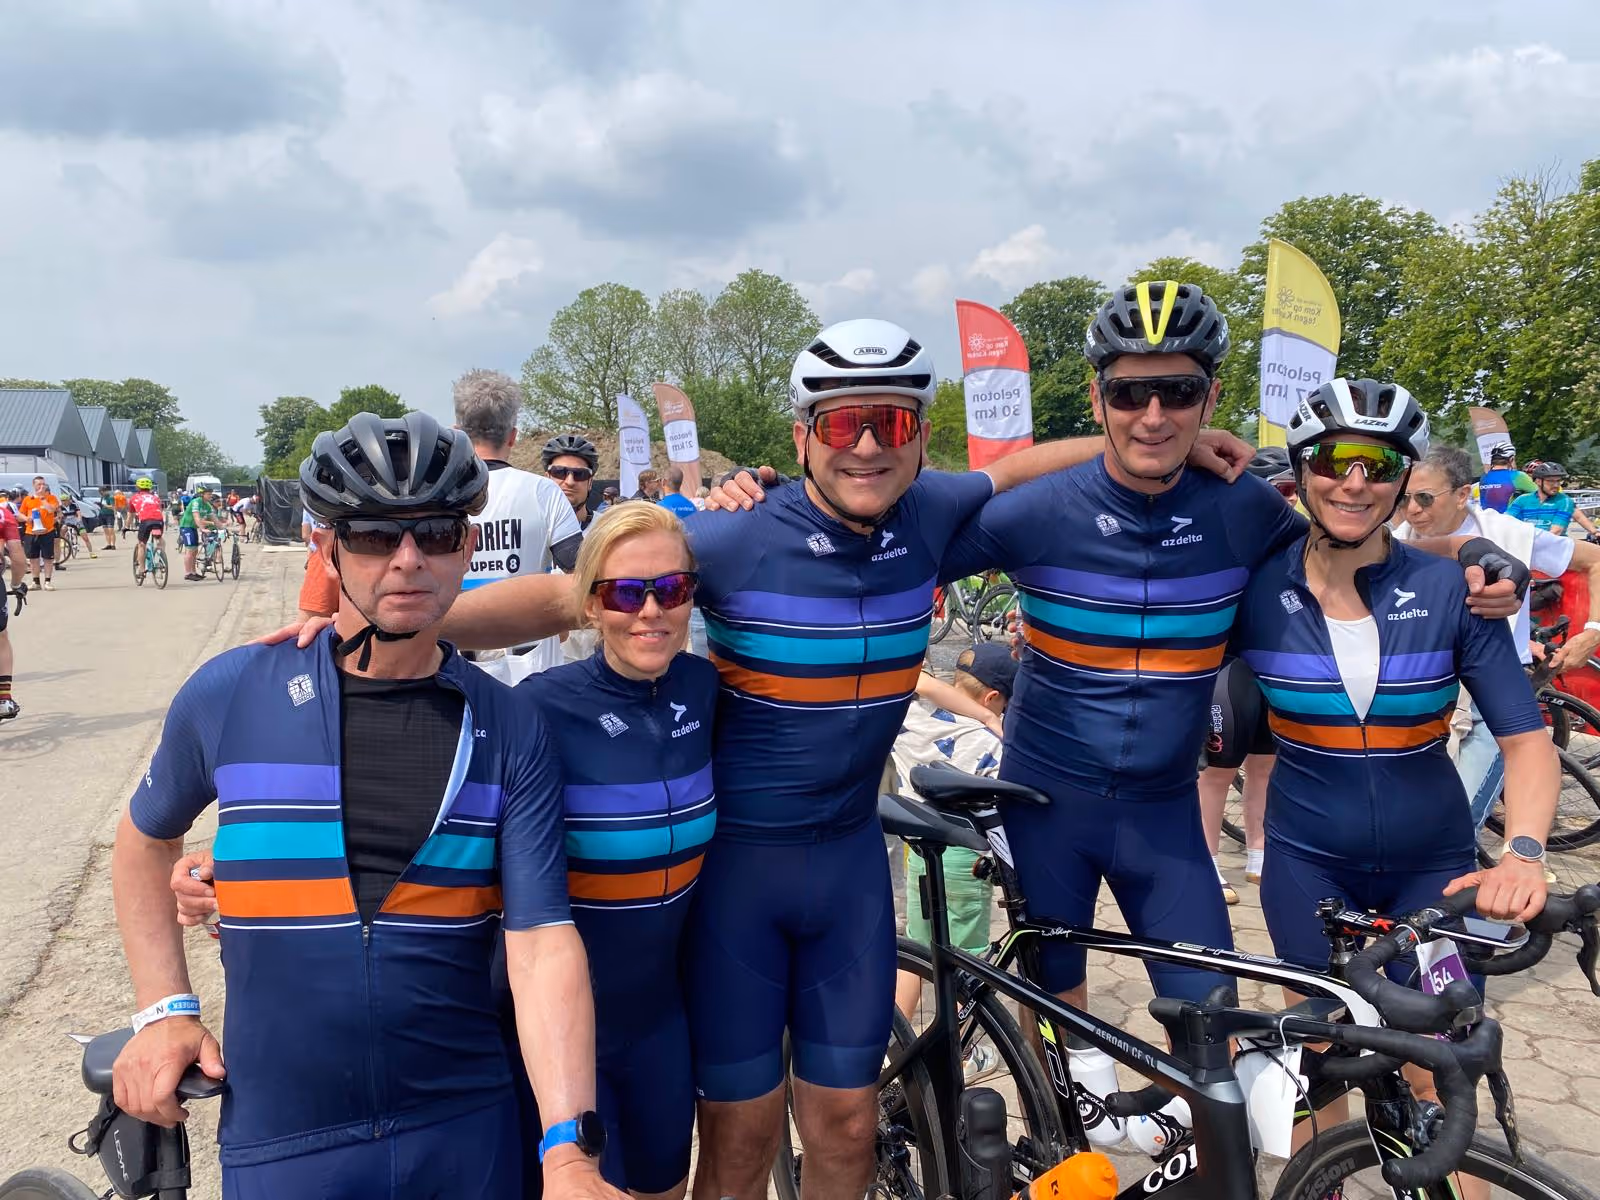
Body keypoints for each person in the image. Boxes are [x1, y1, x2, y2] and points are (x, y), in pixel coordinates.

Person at [410, 317, 1256, 1200]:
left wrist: (1156, 444)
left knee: (848, 1128)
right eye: (844, 423)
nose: (867, 445)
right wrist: (404, 623)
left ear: (920, 437)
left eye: (891, 423)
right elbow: (567, 596)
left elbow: (1014, 470)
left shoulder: (930, 514)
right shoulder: (734, 537)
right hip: (739, 883)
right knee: (741, 1137)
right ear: (801, 437)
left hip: (850, 871)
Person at [110, 412, 622, 1200]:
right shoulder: (233, 691)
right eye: (377, 536)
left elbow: (541, 941)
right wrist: (165, 1011)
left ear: (468, 546)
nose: (409, 559)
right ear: (327, 547)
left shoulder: (508, 724)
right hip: (287, 1136)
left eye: (436, 535)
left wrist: (568, 1152)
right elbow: (145, 840)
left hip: (462, 1125)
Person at [514, 502, 718, 1198]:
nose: (651, 611)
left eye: (672, 589)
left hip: (662, 1024)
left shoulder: (704, 688)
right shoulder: (540, 707)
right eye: (625, 593)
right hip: (566, 1035)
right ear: (590, 606)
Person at [1397, 445, 1600, 830]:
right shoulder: (1394, 541)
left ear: (1462, 494)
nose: (1412, 510)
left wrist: (1592, 632)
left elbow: (1595, 560)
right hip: (1415, 695)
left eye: (1424, 498)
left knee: (1455, 824)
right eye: (1402, 498)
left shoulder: (1508, 534)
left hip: (1489, 695)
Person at [890, 643, 1014, 1021]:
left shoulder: (913, 714)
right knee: (967, 960)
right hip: (965, 860)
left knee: (916, 947)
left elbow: (920, 681)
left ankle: (896, 1040)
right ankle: (960, 1048)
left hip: (919, 853)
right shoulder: (990, 741)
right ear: (992, 698)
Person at [1197, 445, 1297, 905]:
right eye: (1280, 491)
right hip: (1227, 666)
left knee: (1266, 766)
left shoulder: (1294, 540)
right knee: (1218, 772)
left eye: (1293, 491)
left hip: (1272, 666)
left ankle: (1259, 852)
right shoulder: (1223, 533)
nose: (1288, 501)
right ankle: (1207, 860)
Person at [453, 370, 585, 683]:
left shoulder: (440, 493)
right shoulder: (543, 491)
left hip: (455, 658)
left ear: (458, 433)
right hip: (532, 662)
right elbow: (582, 571)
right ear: (513, 436)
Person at [1509, 461, 1598, 538]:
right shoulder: (1522, 500)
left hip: (1553, 546)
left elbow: (1555, 532)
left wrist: (1595, 532)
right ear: (1538, 481)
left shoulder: (1564, 501)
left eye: (1558, 481)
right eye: (1551, 481)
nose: (1556, 485)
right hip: (1525, 546)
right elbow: (1507, 521)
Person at [543, 434, 601, 532]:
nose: (570, 482)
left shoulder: (608, 529)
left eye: (580, 474)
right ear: (547, 478)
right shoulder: (528, 527)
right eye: (559, 472)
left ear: (590, 482)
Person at [0, 497, 25, 720]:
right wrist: (16, 585)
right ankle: (4, 699)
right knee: (1, 638)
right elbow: (17, 557)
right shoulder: (2, 513)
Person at [18, 476, 60, 591]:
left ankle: (47, 581)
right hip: (31, 532)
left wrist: (42, 498)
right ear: (34, 485)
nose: (41, 486)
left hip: (47, 532)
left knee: (48, 558)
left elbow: (51, 509)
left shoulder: (51, 498)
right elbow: (20, 514)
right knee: (33, 558)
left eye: (43, 484)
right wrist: (26, 518)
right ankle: (35, 582)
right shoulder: (28, 499)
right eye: (39, 484)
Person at [178, 486, 221, 581]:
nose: (210, 496)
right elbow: (196, 517)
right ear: (202, 494)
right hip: (186, 526)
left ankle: (193, 572)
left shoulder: (207, 505)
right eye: (208, 494)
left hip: (193, 527)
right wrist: (202, 529)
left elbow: (214, 518)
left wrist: (222, 528)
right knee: (190, 550)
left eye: (211, 494)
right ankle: (188, 573)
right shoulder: (196, 502)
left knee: (195, 551)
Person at [1477, 443, 1535, 513]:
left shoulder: (1483, 478)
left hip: (1486, 518)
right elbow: (1541, 493)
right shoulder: (1518, 476)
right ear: (1511, 459)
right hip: (1509, 518)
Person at [129, 478, 167, 580]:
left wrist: (126, 526)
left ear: (137, 487)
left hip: (145, 521)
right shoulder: (156, 498)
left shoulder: (134, 498)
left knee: (142, 544)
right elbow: (160, 509)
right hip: (158, 520)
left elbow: (130, 515)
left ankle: (141, 569)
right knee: (160, 540)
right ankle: (159, 559)